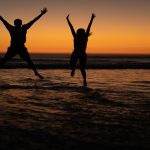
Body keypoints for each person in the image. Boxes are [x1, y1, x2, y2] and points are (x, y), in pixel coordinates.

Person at [0, 8, 48, 79]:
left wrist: (41, 14)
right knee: (4, 60)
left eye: (18, 23)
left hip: (20, 47)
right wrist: (41, 14)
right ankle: (36, 72)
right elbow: (2, 20)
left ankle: (36, 72)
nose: (18, 24)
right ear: (16, 24)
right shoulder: (15, 28)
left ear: (19, 23)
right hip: (14, 47)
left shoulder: (21, 28)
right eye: (17, 23)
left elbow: (33, 21)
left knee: (28, 60)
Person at [66, 13, 96, 86]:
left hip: (77, 53)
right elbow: (88, 27)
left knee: (75, 65)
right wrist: (92, 19)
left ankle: (74, 70)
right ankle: (85, 81)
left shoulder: (77, 36)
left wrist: (67, 20)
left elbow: (71, 28)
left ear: (78, 32)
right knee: (82, 68)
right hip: (81, 53)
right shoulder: (84, 37)